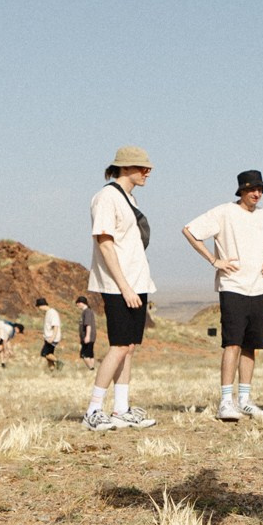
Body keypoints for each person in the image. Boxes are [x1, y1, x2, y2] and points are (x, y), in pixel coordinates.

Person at [185, 169, 263, 421]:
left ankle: (244, 400)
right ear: (241, 190)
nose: (257, 193)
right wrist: (214, 260)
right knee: (232, 343)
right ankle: (225, 402)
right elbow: (190, 231)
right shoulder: (224, 212)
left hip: (258, 289)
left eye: (260, 189)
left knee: (251, 345)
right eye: (252, 189)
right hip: (232, 287)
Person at [84, 148, 157, 430]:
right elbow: (105, 243)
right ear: (125, 167)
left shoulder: (128, 198)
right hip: (119, 285)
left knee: (129, 347)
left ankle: (121, 409)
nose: (148, 172)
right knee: (118, 346)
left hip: (136, 282)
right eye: (142, 167)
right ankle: (93, 410)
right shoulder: (107, 197)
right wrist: (124, 286)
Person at [37, 298, 61, 370]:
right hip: (48, 337)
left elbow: (55, 326)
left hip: (52, 338)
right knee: (49, 356)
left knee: (44, 353)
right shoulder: (48, 312)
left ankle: (59, 362)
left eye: (39, 307)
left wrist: (52, 338)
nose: (39, 309)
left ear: (41, 305)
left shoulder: (52, 313)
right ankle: (52, 371)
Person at [78, 294, 96, 366]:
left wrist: (87, 336)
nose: (78, 305)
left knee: (84, 354)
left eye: (78, 303)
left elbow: (88, 324)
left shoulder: (87, 311)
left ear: (82, 303)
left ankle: (91, 368)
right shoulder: (85, 312)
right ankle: (92, 369)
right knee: (90, 354)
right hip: (87, 337)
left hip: (88, 337)